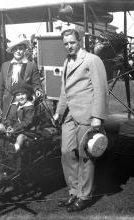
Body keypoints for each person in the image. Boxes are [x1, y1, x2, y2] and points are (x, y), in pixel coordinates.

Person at [53, 29, 109, 212]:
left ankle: (84, 196)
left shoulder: (92, 60)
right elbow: (64, 91)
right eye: (66, 43)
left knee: (86, 156)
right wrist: (58, 113)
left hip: (87, 115)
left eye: (72, 42)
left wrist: (97, 118)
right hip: (69, 116)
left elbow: (101, 90)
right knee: (66, 152)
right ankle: (74, 191)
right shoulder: (67, 61)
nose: (69, 46)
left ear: (80, 41)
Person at [0, 36, 42, 119]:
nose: (18, 51)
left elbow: (36, 84)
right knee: (8, 128)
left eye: (20, 48)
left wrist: (37, 90)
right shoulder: (5, 65)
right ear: (12, 50)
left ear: (24, 50)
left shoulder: (31, 65)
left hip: (25, 104)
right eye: (15, 49)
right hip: (7, 106)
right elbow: (0, 88)